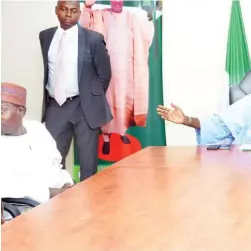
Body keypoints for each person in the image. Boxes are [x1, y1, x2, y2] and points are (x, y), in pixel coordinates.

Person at [39, 0, 112, 181]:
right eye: (64, 10)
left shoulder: (93, 39)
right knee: (52, 162)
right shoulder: (45, 37)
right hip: (56, 106)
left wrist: (90, 98)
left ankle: (89, 206)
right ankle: (57, 205)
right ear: (57, 11)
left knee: (88, 164)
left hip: (84, 106)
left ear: (79, 14)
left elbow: (105, 75)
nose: (68, 15)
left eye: (73, 11)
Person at [80, 0, 154, 155]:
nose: (117, 2)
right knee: (108, 104)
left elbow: (147, 33)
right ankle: (106, 138)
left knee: (124, 104)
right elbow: (84, 24)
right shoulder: (100, 16)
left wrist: (148, 13)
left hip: (128, 72)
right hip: (106, 72)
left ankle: (122, 133)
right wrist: (87, 7)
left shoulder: (133, 17)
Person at [1, 82, 73, 204]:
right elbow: (8, 185)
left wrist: (67, 183)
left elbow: (56, 164)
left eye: (2, 110)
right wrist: (52, 192)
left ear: (21, 111)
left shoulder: (37, 129)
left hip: (61, 200)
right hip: (27, 209)